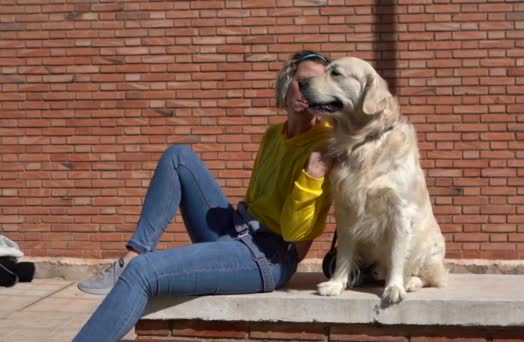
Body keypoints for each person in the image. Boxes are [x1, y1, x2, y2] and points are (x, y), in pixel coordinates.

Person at [73, 51, 334, 341]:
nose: (309, 91)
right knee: (179, 156)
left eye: (318, 86)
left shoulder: (325, 145)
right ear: (287, 85)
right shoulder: (274, 135)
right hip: (236, 230)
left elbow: (297, 233)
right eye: (303, 82)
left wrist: (313, 174)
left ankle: (133, 267)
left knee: (143, 272)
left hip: (269, 255)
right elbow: (255, 199)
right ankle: (134, 251)